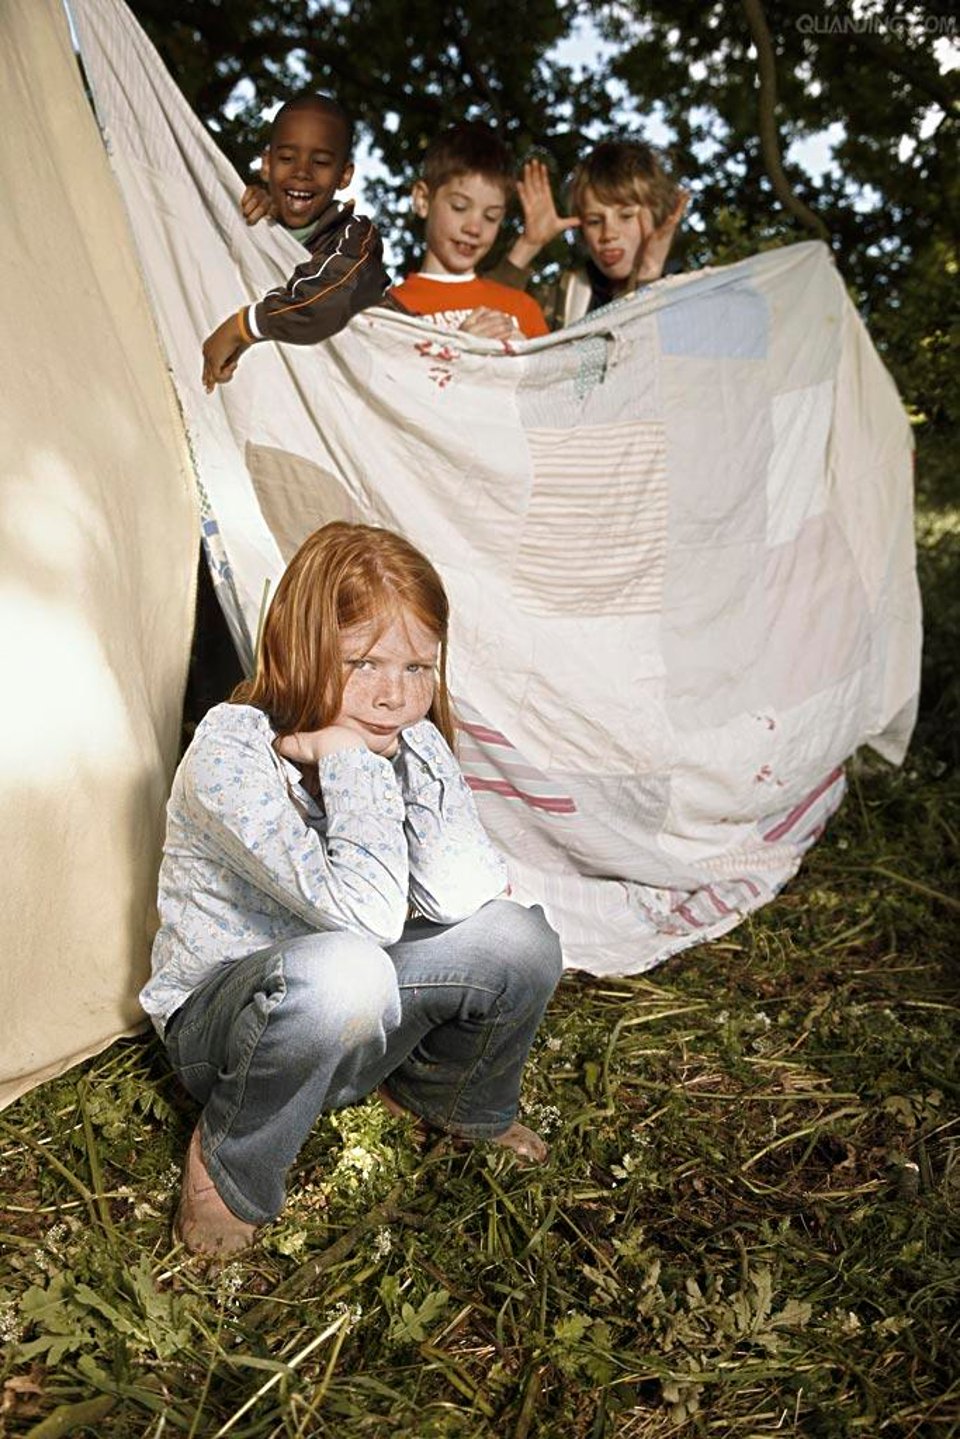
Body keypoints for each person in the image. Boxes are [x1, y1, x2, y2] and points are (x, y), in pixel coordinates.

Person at [140, 522, 563, 1256]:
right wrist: (348, 761)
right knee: (349, 969)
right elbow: (365, 918)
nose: (394, 695)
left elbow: (463, 892)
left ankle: (447, 1097)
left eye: (418, 667)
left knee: (518, 938)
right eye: (363, 662)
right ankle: (230, 1167)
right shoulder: (231, 750)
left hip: (360, 1005)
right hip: (233, 1026)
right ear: (300, 648)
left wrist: (411, 755)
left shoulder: (403, 733)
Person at [201, 94, 390, 392]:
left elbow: (333, 293)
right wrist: (261, 220)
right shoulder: (249, 218)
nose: (302, 172)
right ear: (267, 164)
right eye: (287, 158)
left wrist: (243, 327)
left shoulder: (355, 236)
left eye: (321, 162)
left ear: (344, 175)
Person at [492, 141, 688, 328]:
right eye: (594, 221)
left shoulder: (689, 293)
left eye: (626, 216)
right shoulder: (565, 295)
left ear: (659, 217)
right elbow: (483, 320)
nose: (608, 234)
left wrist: (648, 275)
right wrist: (528, 245)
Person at [389, 122, 550, 341]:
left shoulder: (523, 307)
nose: (474, 228)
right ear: (423, 200)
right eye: (459, 207)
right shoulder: (388, 313)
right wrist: (460, 350)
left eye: (491, 216)